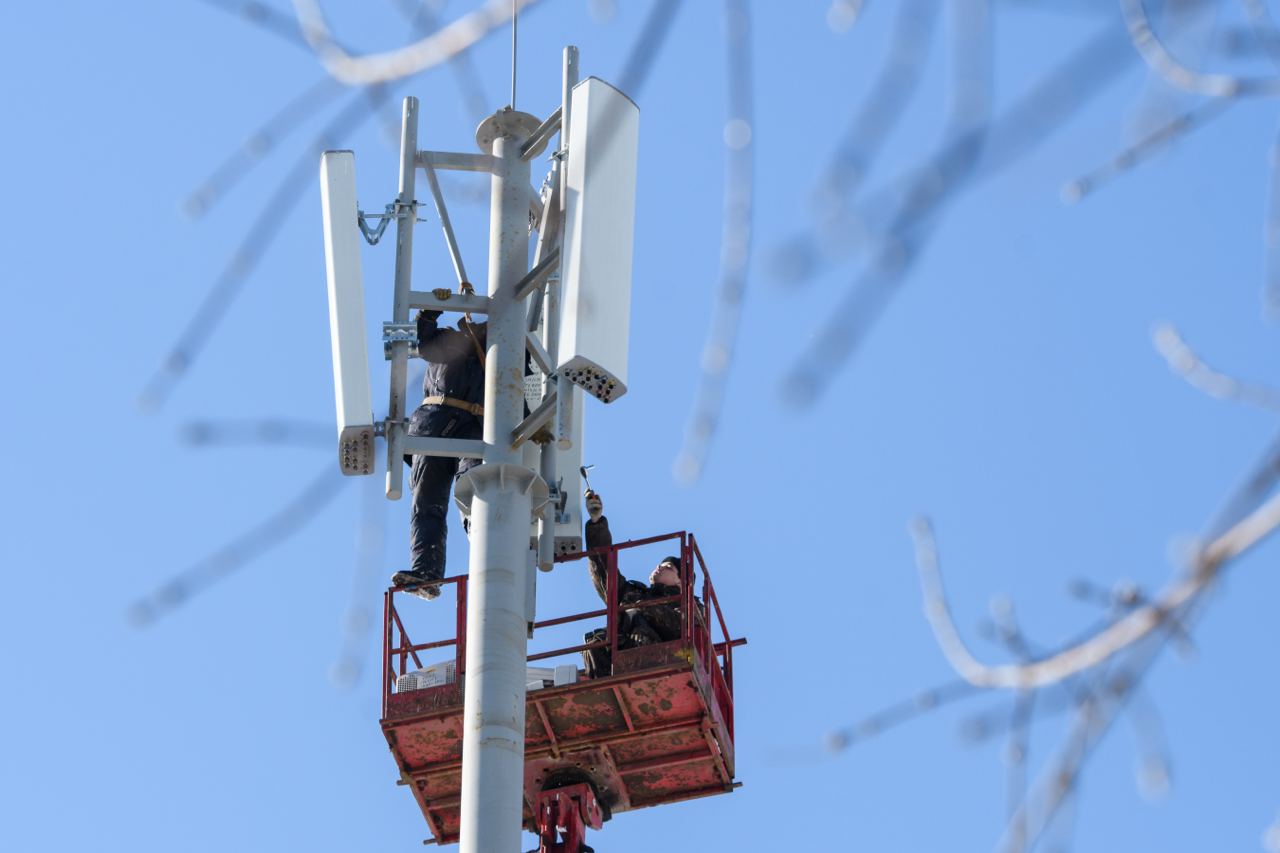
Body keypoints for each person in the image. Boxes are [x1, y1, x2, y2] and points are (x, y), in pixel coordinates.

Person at [390, 307, 487, 599]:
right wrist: (426, 318)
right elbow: (425, 344)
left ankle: (488, 540)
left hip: (473, 428)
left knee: (479, 491)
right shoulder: (454, 341)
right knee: (428, 503)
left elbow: (517, 394)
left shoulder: (505, 351)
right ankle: (427, 572)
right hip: (435, 422)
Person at [580, 490, 689, 677]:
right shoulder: (633, 594)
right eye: (660, 564)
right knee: (595, 642)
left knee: (637, 624)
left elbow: (679, 627)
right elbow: (604, 569)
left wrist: (640, 608)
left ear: (681, 582)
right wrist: (597, 524)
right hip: (621, 658)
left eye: (668, 567)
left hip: (658, 660)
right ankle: (603, 682)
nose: (659, 567)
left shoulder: (687, 606)